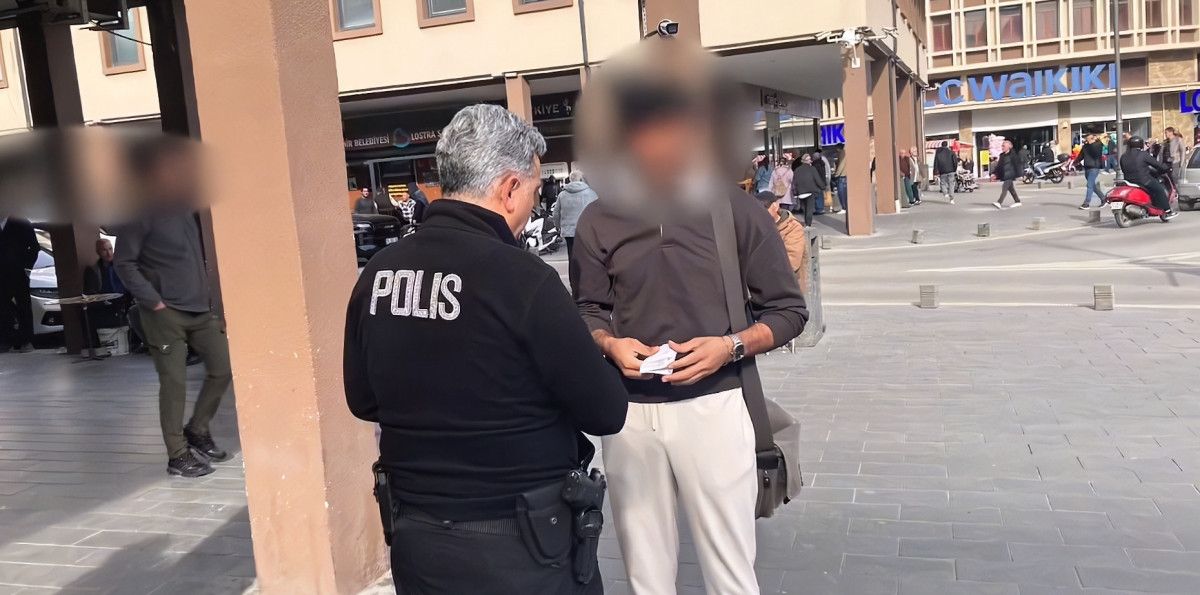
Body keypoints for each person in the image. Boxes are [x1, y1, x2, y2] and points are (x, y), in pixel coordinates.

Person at [344, 104, 628, 593]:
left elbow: (362, 399)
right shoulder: (524, 280)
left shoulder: (380, 274)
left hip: (418, 539)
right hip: (521, 546)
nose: (533, 206)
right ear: (510, 188)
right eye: (534, 192)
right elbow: (606, 411)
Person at [573, 44, 808, 595]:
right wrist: (607, 343)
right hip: (630, 416)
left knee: (731, 574)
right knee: (646, 575)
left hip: (716, 405)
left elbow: (789, 310)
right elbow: (586, 308)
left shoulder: (735, 210)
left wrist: (730, 346)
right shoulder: (598, 219)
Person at [112, 137, 232, 478]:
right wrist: (154, 301)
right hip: (164, 314)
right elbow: (124, 263)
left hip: (199, 310)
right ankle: (177, 455)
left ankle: (198, 429)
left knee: (222, 367)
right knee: (174, 384)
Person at [553, 169, 599, 294]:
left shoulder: (562, 195)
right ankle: (588, 285)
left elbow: (556, 213)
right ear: (581, 179)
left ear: (570, 180)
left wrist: (558, 226)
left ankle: (575, 287)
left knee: (572, 259)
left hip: (569, 233)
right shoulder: (591, 193)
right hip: (587, 232)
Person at [0, 216, 39, 353]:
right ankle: (7, 340)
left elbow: (34, 247)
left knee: (24, 306)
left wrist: (26, 267)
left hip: (19, 273)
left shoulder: (20, 222)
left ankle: (26, 341)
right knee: (3, 307)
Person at [756, 191, 808, 292]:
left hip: (787, 287)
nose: (761, 214)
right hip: (762, 286)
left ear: (775, 206)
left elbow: (792, 261)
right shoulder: (756, 226)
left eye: (765, 209)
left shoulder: (792, 227)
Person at [1121, 136, 1177, 220]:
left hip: (1128, 180)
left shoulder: (1123, 156)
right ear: (1140, 144)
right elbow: (1157, 164)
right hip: (1143, 180)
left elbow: (1123, 169)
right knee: (1159, 190)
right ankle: (1168, 211)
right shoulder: (1143, 154)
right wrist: (1166, 167)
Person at [791, 153, 827, 226]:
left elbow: (794, 182)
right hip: (810, 191)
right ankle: (808, 224)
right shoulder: (812, 169)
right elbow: (817, 180)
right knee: (809, 208)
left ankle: (806, 222)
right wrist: (823, 187)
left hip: (801, 192)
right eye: (810, 159)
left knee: (804, 208)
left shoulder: (797, 170)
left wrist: (796, 192)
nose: (811, 161)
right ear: (808, 161)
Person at [1074, 132, 1107, 209]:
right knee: (1092, 185)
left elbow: (1102, 140)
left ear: (1092, 138)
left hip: (1094, 167)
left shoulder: (1098, 145)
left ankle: (1086, 203)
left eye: (1087, 138)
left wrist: (1097, 139)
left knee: (1089, 185)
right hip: (1087, 167)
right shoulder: (1085, 146)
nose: (1086, 139)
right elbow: (1081, 156)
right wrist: (1075, 162)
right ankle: (1104, 199)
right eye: (1086, 138)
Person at [993, 139, 1023, 209]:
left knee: (1004, 187)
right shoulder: (1002, 155)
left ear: (1008, 147)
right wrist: (994, 174)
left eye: (1003, 146)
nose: (1002, 147)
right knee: (1011, 189)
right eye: (1002, 146)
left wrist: (1020, 175)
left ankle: (999, 202)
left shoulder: (1013, 155)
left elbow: (1017, 165)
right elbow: (999, 166)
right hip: (1005, 175)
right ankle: (1017, 201)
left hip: (1010, 175)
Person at [812, 148, 831, 215]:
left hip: (818, 182)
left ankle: (819, 209)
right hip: (822, 181)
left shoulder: (815, 164)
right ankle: (822, 208)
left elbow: (816, 174)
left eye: (813, 157)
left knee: (818, 195)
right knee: (821, 195)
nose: (812, 158)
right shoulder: (822, 163)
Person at [833, 145, 848, 213]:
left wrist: (836, 174)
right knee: (844, 192)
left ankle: (843, 208)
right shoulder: (845, 152)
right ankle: (845, 207)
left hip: (842, 176)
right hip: (845, 175)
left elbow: (841, 165)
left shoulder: (842, 153)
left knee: (841, 193)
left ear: (838, 149)